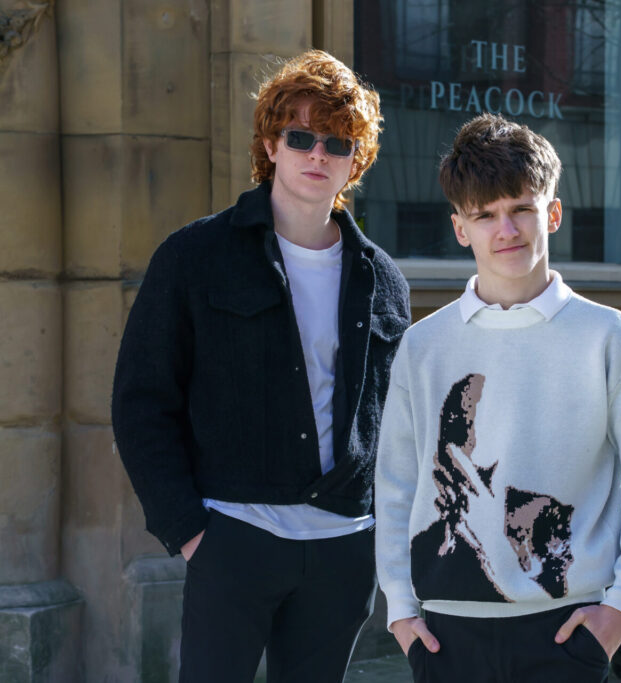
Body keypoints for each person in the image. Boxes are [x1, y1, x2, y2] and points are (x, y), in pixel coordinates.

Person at [111, 50, 410, 682]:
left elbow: (393, 420)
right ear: (271, 145)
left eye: (337, 142)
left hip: (342, 548)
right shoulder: (196, 256)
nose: (317, 154)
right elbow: (142, 400)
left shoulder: (382, 279)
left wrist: (379, 534)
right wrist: (190, 531)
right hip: (233, 538)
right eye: (300, 136)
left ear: (356, 160)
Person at [374, 113, 621, 683]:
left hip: (567, 628)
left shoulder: (606, 336)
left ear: (553, 213)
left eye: (520, 209)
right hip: (444, 632)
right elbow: (395, 484)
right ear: (460, 227)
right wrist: (399, 610)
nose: (504, 229)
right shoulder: (424, 346)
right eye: (484, 215)